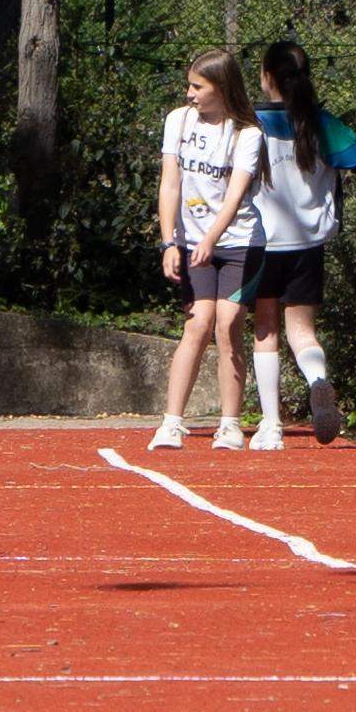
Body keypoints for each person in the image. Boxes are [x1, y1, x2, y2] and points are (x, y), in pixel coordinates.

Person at [237, 34, 356, 446]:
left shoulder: (251, 122)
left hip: (262, 242)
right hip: (308, 244)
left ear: (266, 78)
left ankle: (270, 425)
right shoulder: (319, 122)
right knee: (303, 331)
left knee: (265, 329)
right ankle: (318, 379)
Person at [149, 49, 267, 447]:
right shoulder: (178, 122)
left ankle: (230, 423)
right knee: (197, 323)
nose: (190, 94)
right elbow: (171, 183)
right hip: (191, 242)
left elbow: (235, 195)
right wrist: (170, 242)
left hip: (238, 242)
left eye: (198, 87)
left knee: (228, 325)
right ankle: (171, 421)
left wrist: (210, 239)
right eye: (189, 85)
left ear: (222, 88)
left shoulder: (247, 134)